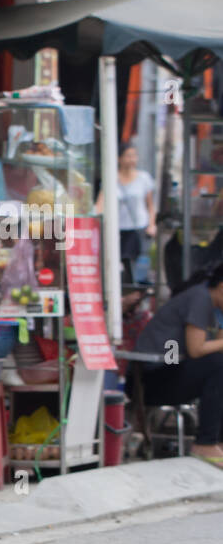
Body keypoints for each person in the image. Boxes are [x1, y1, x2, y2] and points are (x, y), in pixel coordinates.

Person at [134, 263, 223, 465]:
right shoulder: (200, 298)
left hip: (173, 370)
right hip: (154, 380)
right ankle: (205, 443)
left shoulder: (213, 304)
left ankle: (217, 442)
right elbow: (196, 348)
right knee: (219, 365)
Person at [94, 142, 156, 284]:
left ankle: (133, 292)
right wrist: (95, 216)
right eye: (128, 156)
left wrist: (152, 225)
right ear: (119, 158)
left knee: (134, 266)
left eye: (134, 156)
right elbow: (101, 202)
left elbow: (151, 205)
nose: (132, 159)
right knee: (116, 263)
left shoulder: (144, 178)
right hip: (117, 228)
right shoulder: (111, 178)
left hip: (137, 228)